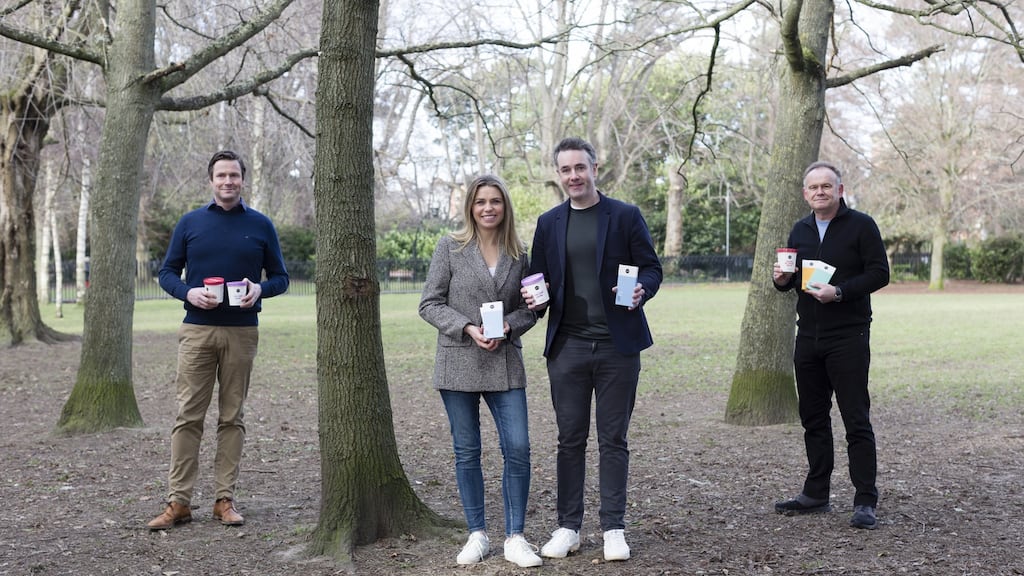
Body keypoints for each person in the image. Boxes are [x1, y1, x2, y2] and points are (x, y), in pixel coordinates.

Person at [522, 137, 662, 562]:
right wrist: (536, 298)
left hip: (618, 347)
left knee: (613, 439)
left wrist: (643, 290)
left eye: (579, 168)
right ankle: (568, 527)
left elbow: (653, 268)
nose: (573, 176)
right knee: (570, 439)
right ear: (558, 175)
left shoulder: (624, 216)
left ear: (595, 168)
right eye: (565, 170)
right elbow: (536, 278)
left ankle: (613, 528)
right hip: (568, 347)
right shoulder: (549, 223)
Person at [147, 150, 289, 530]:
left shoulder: (260, 225)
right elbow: (166, 272)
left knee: (232, 417)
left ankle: (224, 500)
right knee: (188, 416)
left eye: (234, 176)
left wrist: (260, 290)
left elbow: (281, 277)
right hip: (197, 330)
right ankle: (178, 502)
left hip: (242, 332)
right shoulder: (191, 222)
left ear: (243, 180)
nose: (228, 182)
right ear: (211, 181)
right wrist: (188, 293)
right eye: (221, 176)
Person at [418, 175, 543, 568]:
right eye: (480, 202)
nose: (488, 208)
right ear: (470, 207)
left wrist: (510, 325)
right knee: (466, 451)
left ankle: (515, 536)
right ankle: (477, 533)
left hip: (504, 362)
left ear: (505, 206)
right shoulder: (450, 248)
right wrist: (467, 328)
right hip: (458, 360)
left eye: (495, 201)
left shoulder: (520, 252)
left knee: (518, 448)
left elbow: (534, 308)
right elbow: (429, 303)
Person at [772, 160, 889, 530]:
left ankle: (865, 500)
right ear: (805, 193)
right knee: (813, 418)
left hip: (848, 337)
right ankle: (816, 493)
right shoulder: (800, 229)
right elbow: (792, 282)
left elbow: (880, 273)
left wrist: (839, 292)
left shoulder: (862, 225)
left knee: (856, 418)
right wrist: (781, 279)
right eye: (813, 187)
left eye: (827, 186)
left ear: (840, 190)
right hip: (807, 336)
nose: (820, 192)